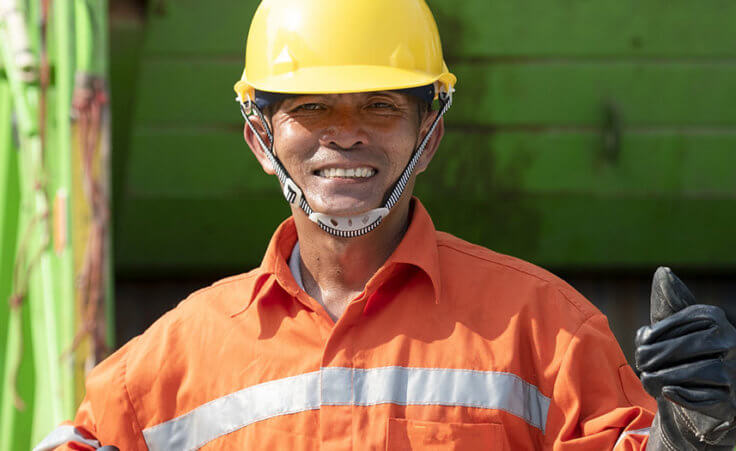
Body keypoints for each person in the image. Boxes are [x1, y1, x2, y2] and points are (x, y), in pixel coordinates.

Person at [35, 0, 736, 449]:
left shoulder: (546, 330)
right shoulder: (175, 358)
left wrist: (701, 433)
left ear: (428, 138)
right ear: (259, 139)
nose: (344, 137)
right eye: (311, 109)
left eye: (378, 107)